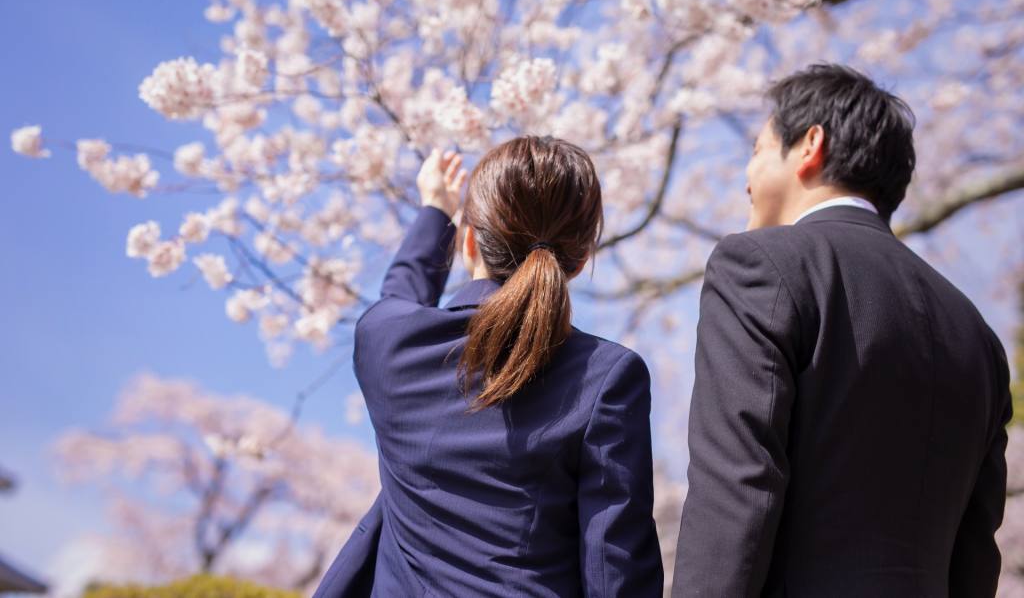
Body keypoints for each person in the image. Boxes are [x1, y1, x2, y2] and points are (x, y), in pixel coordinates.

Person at [673, 64, 1011, 597]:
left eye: (758, 149)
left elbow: (736, 487)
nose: (748, 174)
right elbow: (976, 551)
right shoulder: (976, 333)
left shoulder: (760, 265)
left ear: (810, 144)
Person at [316, 135, 663, 598]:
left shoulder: (390, 345)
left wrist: (435, 209)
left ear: (469, 243)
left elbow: (399, 297)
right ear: (579, 261)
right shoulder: (606, 376)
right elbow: (615, 571)